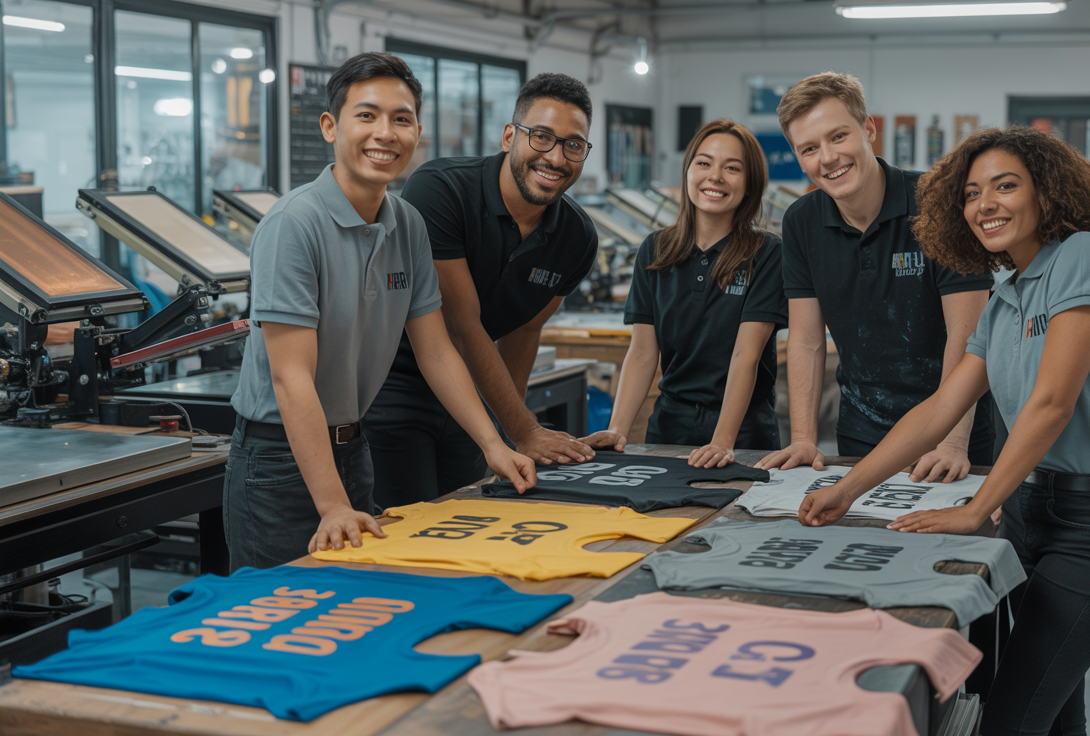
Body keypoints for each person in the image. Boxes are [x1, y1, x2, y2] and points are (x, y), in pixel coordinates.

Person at [800, 126, 1090, 736]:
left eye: (1005, 186)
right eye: (971, 193)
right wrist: (847, 489)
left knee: (1010, 719)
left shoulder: (1083, 256)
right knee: (1056, 709)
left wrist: (977, 508)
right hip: (1029, 512)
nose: (985, 204)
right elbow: (940, 410)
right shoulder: (1007, 292)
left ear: (1047, 193)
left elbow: (1051, 405)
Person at [224, 53, 535, 570]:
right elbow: (291, 377)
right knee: (275, 624)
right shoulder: (293, 224)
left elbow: (436, 350)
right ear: (330, 126)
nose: (385, 133)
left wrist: (493, 445)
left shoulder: (408, 223)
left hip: (353, 450)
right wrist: (331, 505)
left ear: (418, 132)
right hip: (278, 463)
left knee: (351, 619)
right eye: (366, 115)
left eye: (402, 119)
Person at [365, 73, 600, 507]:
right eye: (542, 136)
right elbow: (460, 324)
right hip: (395, 390)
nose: (556, 156)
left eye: (574, 145)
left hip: (471, 398)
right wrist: (523, 429)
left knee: (468, 519)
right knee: (409, 533)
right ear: (510, 135)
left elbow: (525, 332)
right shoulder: (442, 190)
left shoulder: (578, 237)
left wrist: (504, 430)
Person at [757, 72, 995, 482]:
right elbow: (807, 339)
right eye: (809, 148)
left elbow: (969, 334)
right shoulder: (802, 221)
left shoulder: (937, 204)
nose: (827, 158)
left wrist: (952, 442)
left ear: (868, 129)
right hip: (862, 433)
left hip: (955, 433)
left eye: (838, 137)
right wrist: (803, 438)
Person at [583, 120, 786, 466]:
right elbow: (643, 353)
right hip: (668, 426)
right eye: (704, 163)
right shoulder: (655, 249)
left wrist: (722, 441)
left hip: (744, 431)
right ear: (688, 171)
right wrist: (617, 429)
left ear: (751, 184)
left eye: (732, 168)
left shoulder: (766, 252)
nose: (715, 176)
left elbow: (746, 356)